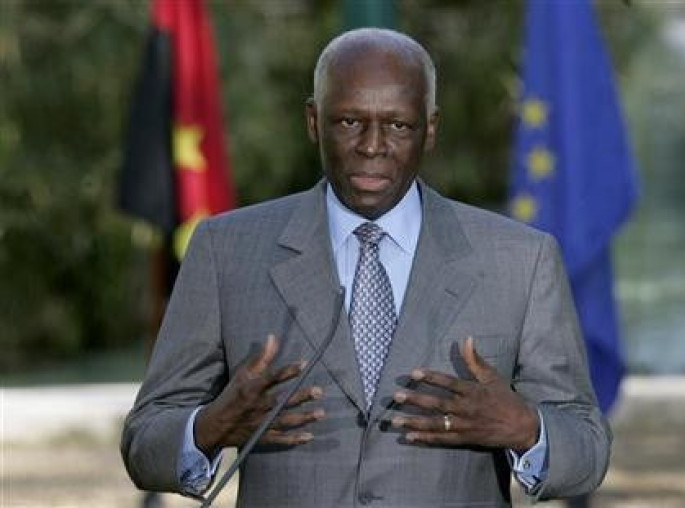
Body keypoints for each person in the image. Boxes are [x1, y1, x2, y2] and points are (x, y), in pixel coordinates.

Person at [121, 28, 611, 507]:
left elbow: (587, 449)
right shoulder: (224, 250)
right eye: (349, 122)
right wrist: (208, 427)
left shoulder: (521, 260)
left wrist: (525, 429)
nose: (372, 145)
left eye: (398, 125)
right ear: (314, 121)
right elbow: (145, 443)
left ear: (431, 128)